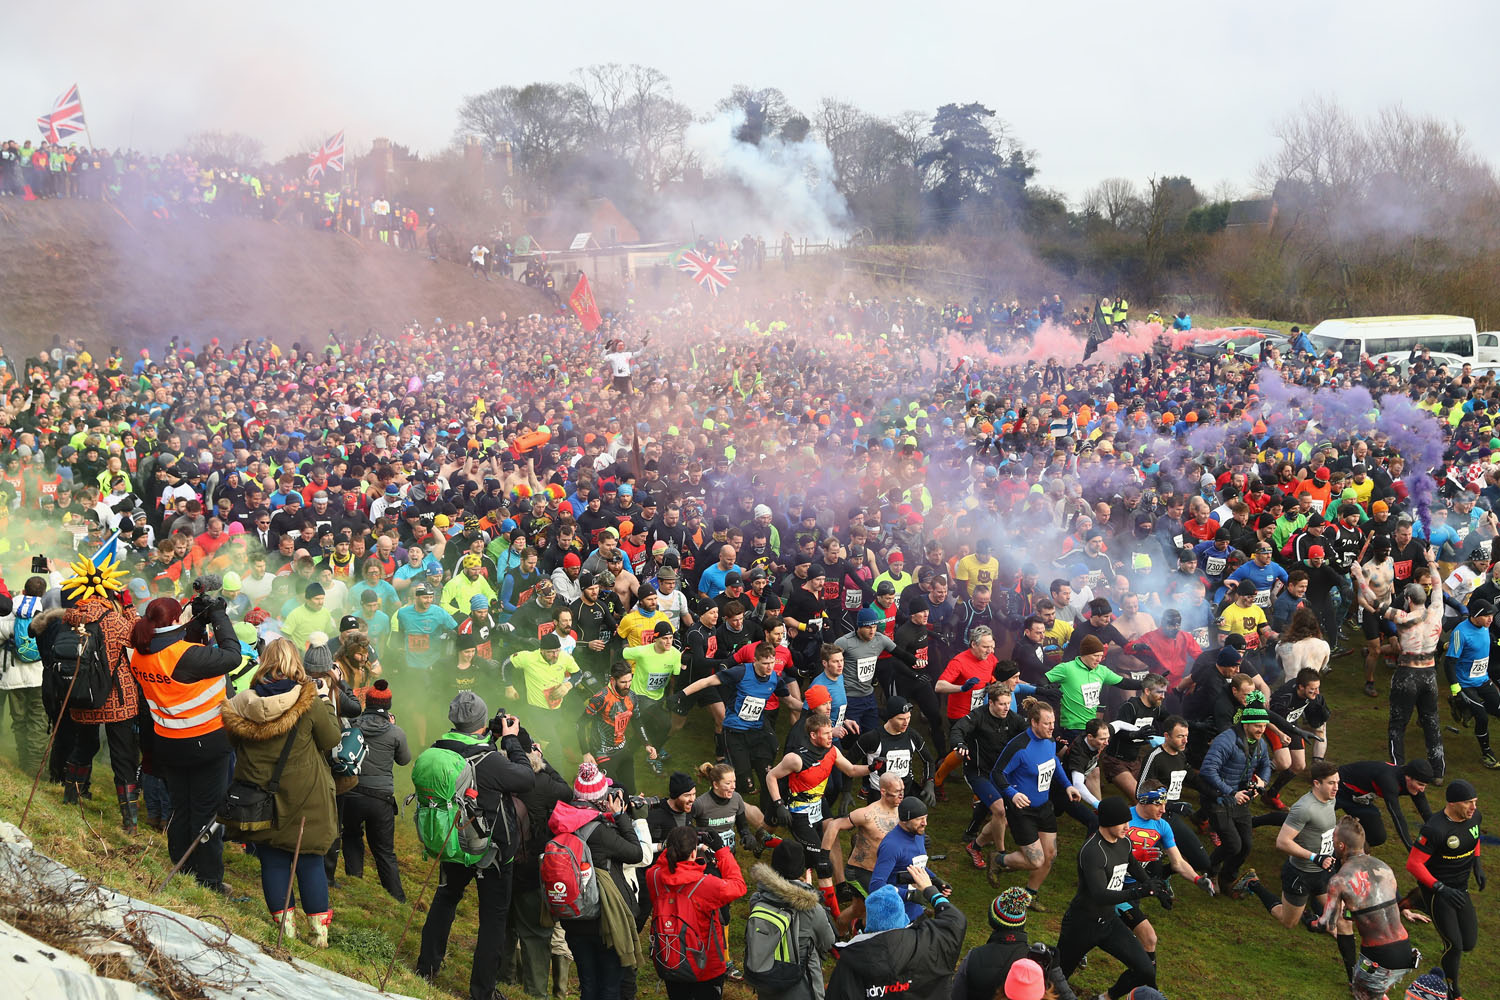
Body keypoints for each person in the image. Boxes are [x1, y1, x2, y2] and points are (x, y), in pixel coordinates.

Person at [414, 693, 538, 1000]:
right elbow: (525, 779)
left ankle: (426, 968)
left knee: (445, 900)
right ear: (483, 722)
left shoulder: (439, 749)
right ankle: (483, 992)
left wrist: (490, 741)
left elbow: (474, 760)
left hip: (454, 842)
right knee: (493, 919)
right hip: (492, 852)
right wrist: (511, 741)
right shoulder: (491, 761)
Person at [220, 637, 341, 944]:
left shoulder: (242, 704)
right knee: (310, 862)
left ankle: (285, 932)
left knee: (273, 861)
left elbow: (233, 743)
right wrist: (326, 701)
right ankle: (318, 935)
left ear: (264, 662)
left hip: (259, 800)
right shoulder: (309, 702)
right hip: (306, 799)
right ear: (295, 663)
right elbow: (331, 739)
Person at [129, 593, 242, 894]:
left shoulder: (140, 655)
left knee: (181, 809)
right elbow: (233, 655)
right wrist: (218, 616)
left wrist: (197, 623)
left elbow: (178, 653)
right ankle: (209, 880)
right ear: (176, 620)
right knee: (206, 813)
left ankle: (183, 868)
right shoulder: (186, 657)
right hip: (207, 743)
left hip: (169, 742)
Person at [549, 761, 646, 1000]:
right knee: (610, 986)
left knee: (588, 983)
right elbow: (636, 853)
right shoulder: (600, 832)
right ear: (601, 798)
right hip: (603, 921)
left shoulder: (559, 823)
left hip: (572, 916)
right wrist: (621, 817)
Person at [1055, 796, 1165, 1000]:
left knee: (1145, 971)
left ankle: (1104, 998)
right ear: (1107, 822)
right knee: (1055, 982)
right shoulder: (1093, 852)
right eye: (1122, 822)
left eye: (1128, 821)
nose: (1127, 827)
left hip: (1108, 923)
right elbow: (1100, 895)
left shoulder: (1124, 841)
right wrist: (1140, 892)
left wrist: (1155, 888)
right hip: (1082, 925)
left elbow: (1133, 865)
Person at [765, 712, 875, 913]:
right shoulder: (796, 758)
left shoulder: (832, 751)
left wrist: (872, 767)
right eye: (826, 734)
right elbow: (771, 776)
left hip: (818, 810)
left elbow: (850, 770)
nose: (831, 736)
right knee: (823, 865)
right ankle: (835, 915)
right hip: (799, 815)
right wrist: (779, 804)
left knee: (809, 857)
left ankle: (773, 842)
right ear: (813, 735)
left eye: (830, 732)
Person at [1314, 816, 1424, 999]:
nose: (1331, 843)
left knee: (1364, 994)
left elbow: (1328, 924)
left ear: (1341, 846)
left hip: (1378, 956)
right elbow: (1380, 907)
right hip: (1405, 951)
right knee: (1376, 992)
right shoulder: (1384, 867)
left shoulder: (1339, 879)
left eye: (1333, 839)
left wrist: (1311, 921)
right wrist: (1352, 913)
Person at [989, 698, 1080, 909]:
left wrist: (1067, 785)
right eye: (1047, 723)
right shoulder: (1019, 747)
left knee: (1050, 856)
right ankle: (998, 860)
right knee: (1035, 860)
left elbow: (1053, 762)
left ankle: (1029, 896)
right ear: (1034, 723)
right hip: (1022, 810)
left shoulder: (1049, 740)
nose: (1052, 727)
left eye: (1053, 722)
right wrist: (1012, 794)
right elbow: (997, 773)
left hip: (1044, 807)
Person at [1232, 759, 1342, 932]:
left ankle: (1341, 938)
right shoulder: (1304, 808)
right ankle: (1253, 883)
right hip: (1301, 873)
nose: (1336, 787)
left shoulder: (1331, 799)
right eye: (1331, 783)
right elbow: (1282, 842)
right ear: (1316, 783)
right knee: (1288, 921)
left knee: (1338, 912)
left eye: (1337, 782)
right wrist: (1314, 857)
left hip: (1324, 869)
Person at [825, 866, 966, 1000]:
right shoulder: (930, 942)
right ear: (904, 917)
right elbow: (955, 919)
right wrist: (930, 891)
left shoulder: (852, 959)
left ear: (867, 922)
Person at [1405, 778, 1486, 1000]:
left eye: (1475, 801)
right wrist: (1440, 888)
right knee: (1454, 946)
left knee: (1468, 943)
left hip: (1460, 889)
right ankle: (1452, 991)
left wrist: (1477, 866)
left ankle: (1417, 902)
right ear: (1452, 803)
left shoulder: (1474, 817)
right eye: (1468, 802)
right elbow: (1413, 864)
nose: (1473, 807)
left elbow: (1474, 836)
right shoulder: (1435, 829)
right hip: (1438, 892)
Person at [644, 825, 746, 998]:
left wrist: (676, 841)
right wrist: (721, 850)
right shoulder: (707, 885)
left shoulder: (653, 877)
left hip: (672, 961)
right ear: (693, 853)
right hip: (707, 967)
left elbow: (662, 864)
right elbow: (739, 885)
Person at [343, 678, 411, 902]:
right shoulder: (396, 732)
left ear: (367, 702)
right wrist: (393, 727)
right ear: (388, 706)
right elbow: (404, 760)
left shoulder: (351, 724)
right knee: (384, 851)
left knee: (351, 836)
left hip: (351, 793)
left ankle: (354, 884)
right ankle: (397, 898)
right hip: (381, 799)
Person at [744, 838, 836, 1000]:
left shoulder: (758, 899)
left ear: (773, 867)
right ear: (801, 868)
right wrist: (808, 890)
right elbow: (828, 941)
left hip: (766, 981)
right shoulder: (811, 908)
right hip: (802, 988)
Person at [1200, 694, 1272, 891]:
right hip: (1218, 799)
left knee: (1246, 845)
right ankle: (1210, 871)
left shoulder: (1260, 742)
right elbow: (1208, 770)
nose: (1262, 730)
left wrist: (1262, 782)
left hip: (1241, 800)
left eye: (1264, 726)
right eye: (1257, 726)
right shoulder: (1226, 740)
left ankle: (1228, 878)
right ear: (1246, 723)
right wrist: (1231, 792)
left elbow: (1266, 764)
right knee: (1233, 844)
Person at [950, 887, 1076, 1000]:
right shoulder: (1038, 962)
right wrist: (1054, 970)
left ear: (992, 921)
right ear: (1022, 923)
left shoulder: (972, 957)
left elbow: (955, 994)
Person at [1444, 598, 1500, 768]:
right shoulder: (1461, 633)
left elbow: (1488, 640)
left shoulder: (1485, 627)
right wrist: (1456, 688)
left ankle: (1465, 707)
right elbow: (1449, 662)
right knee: (1482, 717)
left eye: (1492, 615)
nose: (1491, 619)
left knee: (1497, 708)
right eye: (1487, 616)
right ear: (1475, 616)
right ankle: (1487, 753)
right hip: (1465, 684)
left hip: (1483, 679)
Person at [1336, 758, 1434, 850]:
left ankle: (1345, 850)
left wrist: (1440, 836)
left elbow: (1426, 813)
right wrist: (1410, 848)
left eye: (1425, 785)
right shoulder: (1389, 780)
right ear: (1408, 777)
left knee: (1377, 836)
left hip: (1359, 799)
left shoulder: (1412, 781)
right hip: (1339, 789)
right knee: (1326, 823)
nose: (1422, 789)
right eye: (1420, 784)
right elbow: (1397, 816)